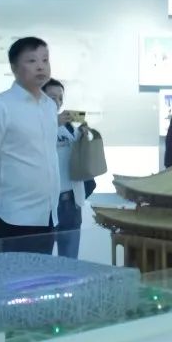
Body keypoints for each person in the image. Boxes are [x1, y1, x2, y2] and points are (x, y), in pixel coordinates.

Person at [0, 37, 60, 254]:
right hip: (12, 216)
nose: (40, 66)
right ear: (14, 68)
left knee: (42, 274)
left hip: (47, 215)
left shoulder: (50, 107)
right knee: (9, 275)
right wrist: (0, 199)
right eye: (31, 60)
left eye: (45, 60)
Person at [43, 79, 97, 259]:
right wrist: (53, 123)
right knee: (41, 259)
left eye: (60, 98)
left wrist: (82, 136)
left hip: (71, 202)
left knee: (70, 260)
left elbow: (76, 159)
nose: (57, 102)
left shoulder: (67, 126)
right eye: (52, 98)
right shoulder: (34, 127)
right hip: (46, 204)